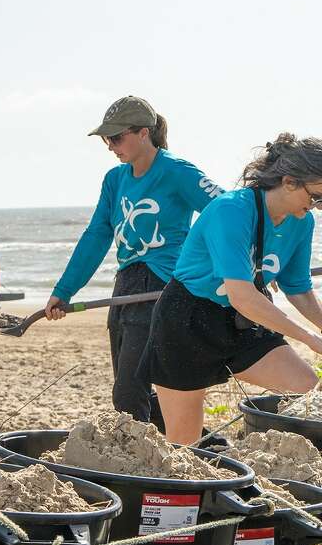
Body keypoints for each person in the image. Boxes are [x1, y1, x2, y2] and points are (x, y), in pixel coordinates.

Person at [45, 96, 222, 424]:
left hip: (162, 285)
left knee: (127, 392)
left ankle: (141, 463)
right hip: (125, 285)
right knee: (136, 386)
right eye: (105, 139)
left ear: (144, 133)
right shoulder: (115, 179)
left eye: (116, 137)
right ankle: (196, 446)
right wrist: (64, 290)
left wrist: (223, 265)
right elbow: (97, 236)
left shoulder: (177, 172)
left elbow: (226, 212)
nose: (110, 146)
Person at [144, 134, 322, 445]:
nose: (318, 207)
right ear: (290, 181)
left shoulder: (301, 222)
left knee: (305, 388)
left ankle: (272, 463)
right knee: (184, 442)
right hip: (187, 320)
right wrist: (309, 338)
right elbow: (242, 295)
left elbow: (298, 288)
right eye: (318, 197)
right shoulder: (231, 210)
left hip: (242, 323)